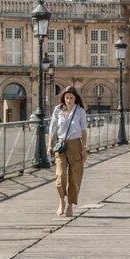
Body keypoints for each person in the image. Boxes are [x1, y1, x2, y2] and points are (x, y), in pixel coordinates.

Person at [47, 86, 88, 217]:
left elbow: (83, 130)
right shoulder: (57, 110)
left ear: (75, 98)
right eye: (66, 98)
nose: (68, 100)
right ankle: (61, 201)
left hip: (76, 145)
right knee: (60, 175)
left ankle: (70, 204)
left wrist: (84, 148)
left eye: (71, 98)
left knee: (74, 177)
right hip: (61, 145)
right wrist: (49, 145)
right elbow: (52, 129)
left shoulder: (80, 111)